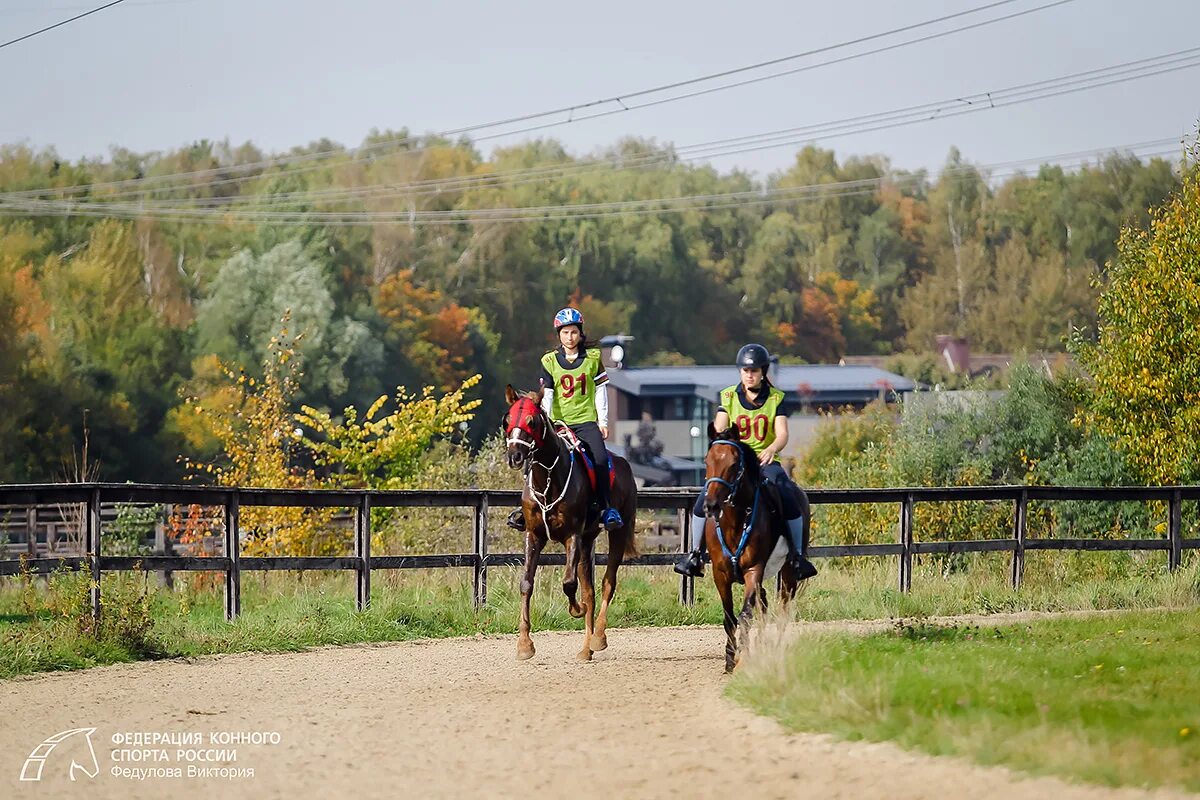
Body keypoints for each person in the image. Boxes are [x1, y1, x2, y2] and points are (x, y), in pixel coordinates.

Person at [674, 343, 818, 580]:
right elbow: (720, 425)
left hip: (764, 461)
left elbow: (782, 433)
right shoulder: (729, 396)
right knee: (703, 500)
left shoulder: (776, 398)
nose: (749, 375)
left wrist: (772, 449)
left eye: (754, 371)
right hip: (735, 463)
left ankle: (798, 557)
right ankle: (695, 554)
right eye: (745, 370)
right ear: (740, 372)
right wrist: (719, 435)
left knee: (789, 495)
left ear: (763, 372)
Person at [512, 307, 623, 532]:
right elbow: (549, 395)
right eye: (565, 333)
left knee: (600, 459)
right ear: (559, 335)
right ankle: (524, 508)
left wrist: (603, 421)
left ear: (580, 334)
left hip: (585, 422)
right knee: (535, 458)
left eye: (573, 332)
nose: (569, 337)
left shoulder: (593, 358)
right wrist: (548, 423)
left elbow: (601, 390)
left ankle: (605, 507)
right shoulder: (549, 361)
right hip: (559, 424)